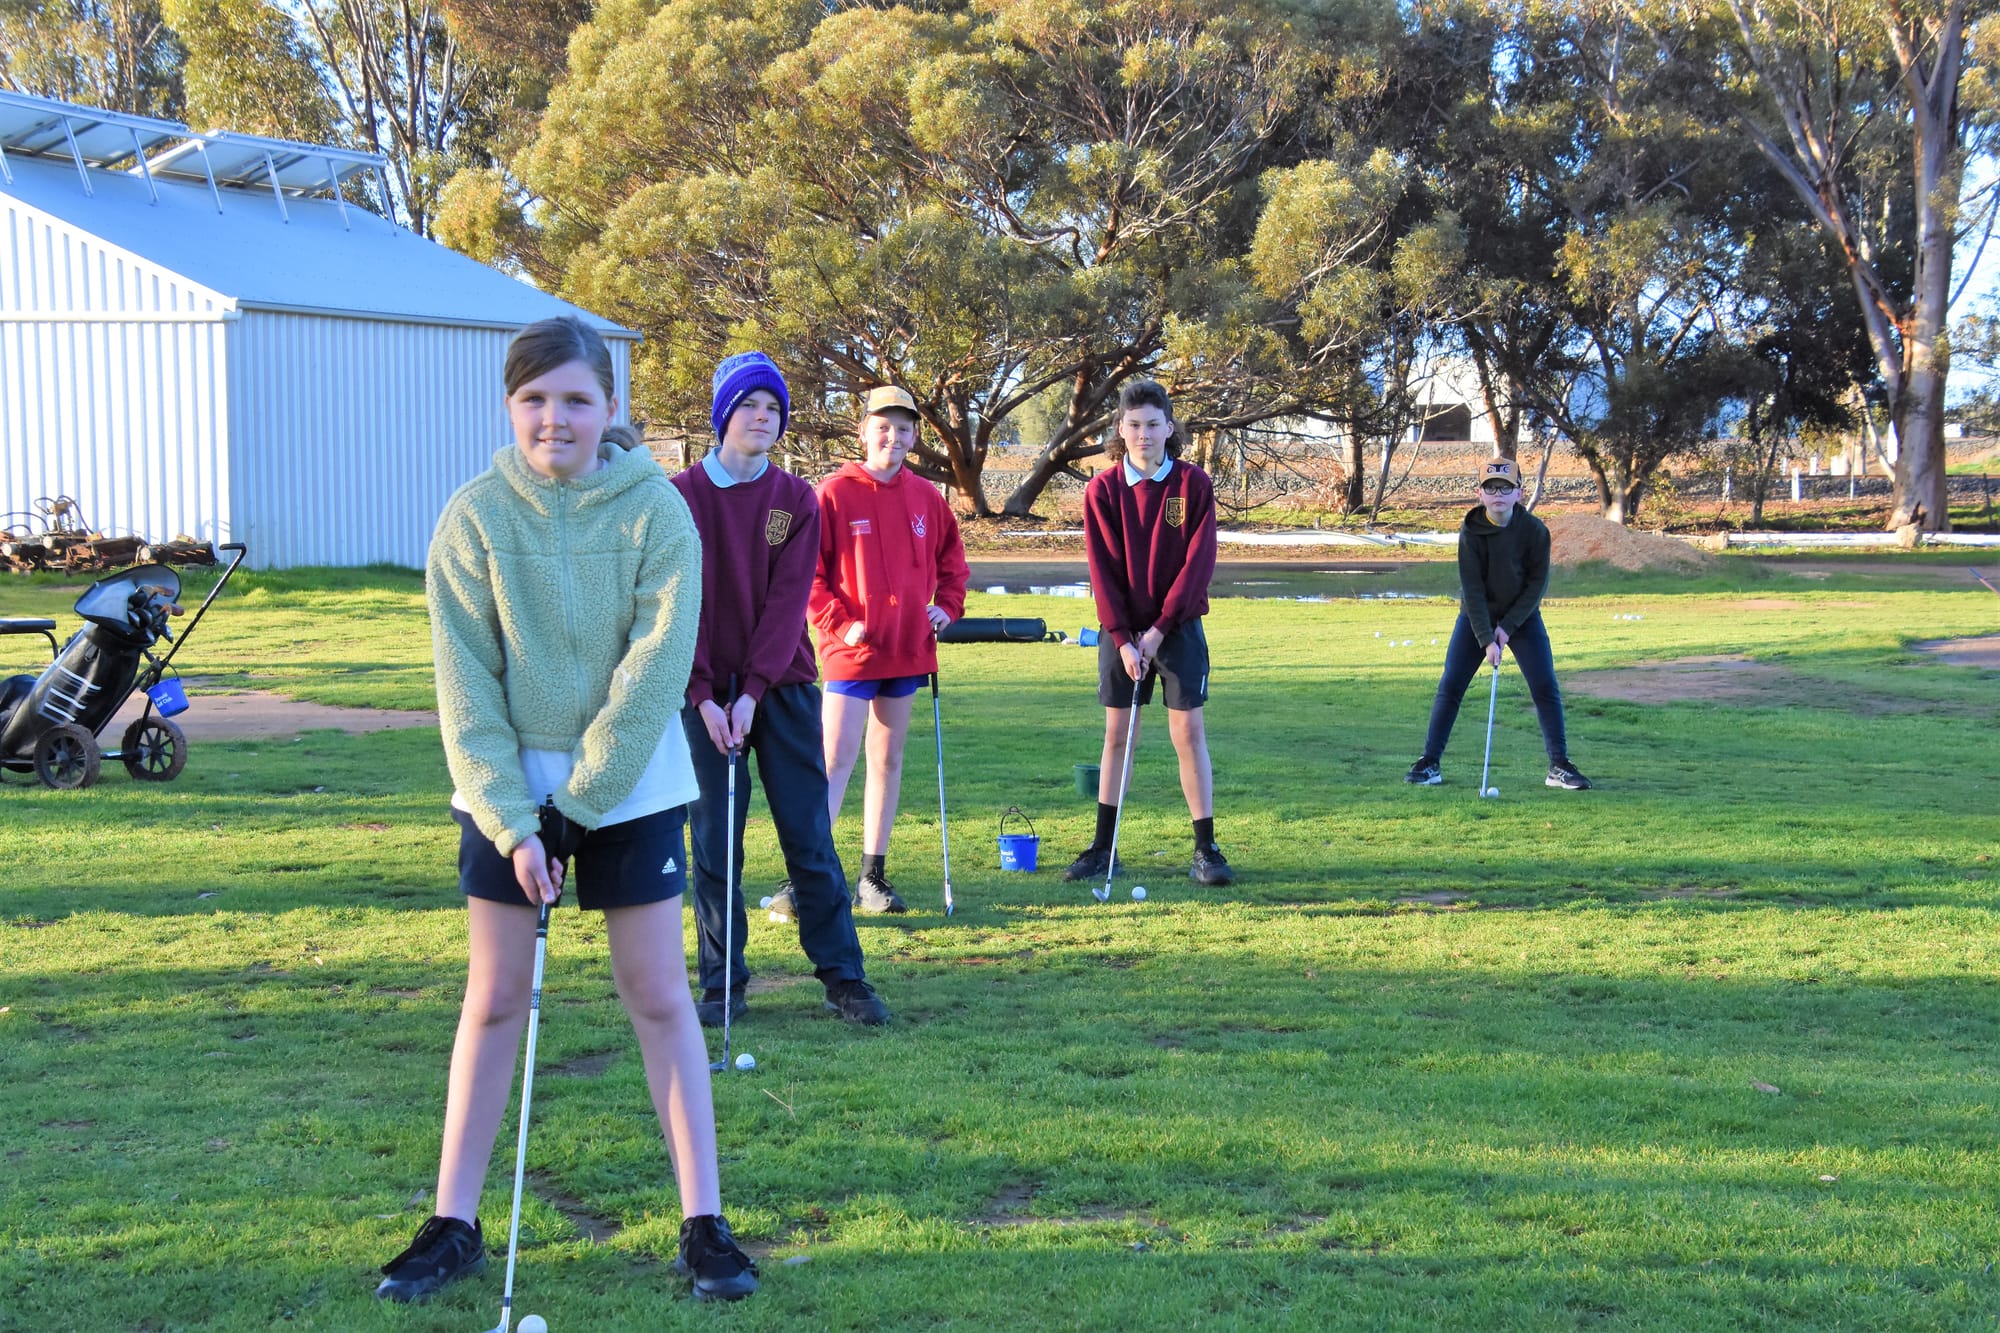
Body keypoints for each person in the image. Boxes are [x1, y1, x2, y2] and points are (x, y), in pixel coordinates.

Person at [378, 316, 757, 1306]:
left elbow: (654, 668)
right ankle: (451, 1222)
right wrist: (514, 819)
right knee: (494, 996)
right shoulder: (471, 519)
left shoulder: (656, 515)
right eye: (534, 400)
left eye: (576, 399)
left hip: (628, 783)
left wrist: (579, 804)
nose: (555, 419)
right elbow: (467, 688)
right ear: (510, 407)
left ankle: (703, 1222)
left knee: (657, 995)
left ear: (610, 408)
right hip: (504, 786)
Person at [672, 352, 890, 1027]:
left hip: (783, 688)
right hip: (704, 693)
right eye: (749, 406)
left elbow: (787, 601)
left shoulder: (795, 499)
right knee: (713, 843)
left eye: (773, 409)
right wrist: (707, 693)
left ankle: (843, 976)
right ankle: (722, 981)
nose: (762, 418)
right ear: (723, 416)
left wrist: (753, 691)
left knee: (808, 835)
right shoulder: (681, 495)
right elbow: (683, 603)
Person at [1063, 378, 1234, 888]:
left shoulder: (1193, 485)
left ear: (1169, 427)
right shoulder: (1103, 489)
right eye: (1134, 425)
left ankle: (1206, 849)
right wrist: (1121, 638)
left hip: (1176, 631)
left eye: (1153, 425)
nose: (1144, 434)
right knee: (1119, 737)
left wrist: (1159, 630)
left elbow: (1197, 565)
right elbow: (1103, 570)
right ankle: (1103, 848)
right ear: (1121, 429)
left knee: (1188, 735)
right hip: (1122, 634)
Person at [810, 385, 969, 913]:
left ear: (915, 436)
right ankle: (809, 872)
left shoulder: (926, 496)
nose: (893, 437)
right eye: (882, 426)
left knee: (887, 758)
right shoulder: (833, 493)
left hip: (907, 649)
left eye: (903, 428)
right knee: (835, 760)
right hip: (851, 652)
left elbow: (953, 562)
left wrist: (947, 606)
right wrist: (840, 623)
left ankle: (872, 877)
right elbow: (806, 576)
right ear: (863, 431)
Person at [1404, 456, 1591, 791]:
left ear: (1519, 493)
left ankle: (1559, 765)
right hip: (1476, 617)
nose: (1498, 494)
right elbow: (1472, 588)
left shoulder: (1535, 532)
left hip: (1522, 617)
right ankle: (1429, 762)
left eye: (1506, 488)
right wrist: (1488, 638)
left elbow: (1536, 585)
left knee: (1545, 687)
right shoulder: (1471, 531)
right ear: (1480, 493)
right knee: (1451, 686)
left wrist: (1507, 628)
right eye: (1491, 488)